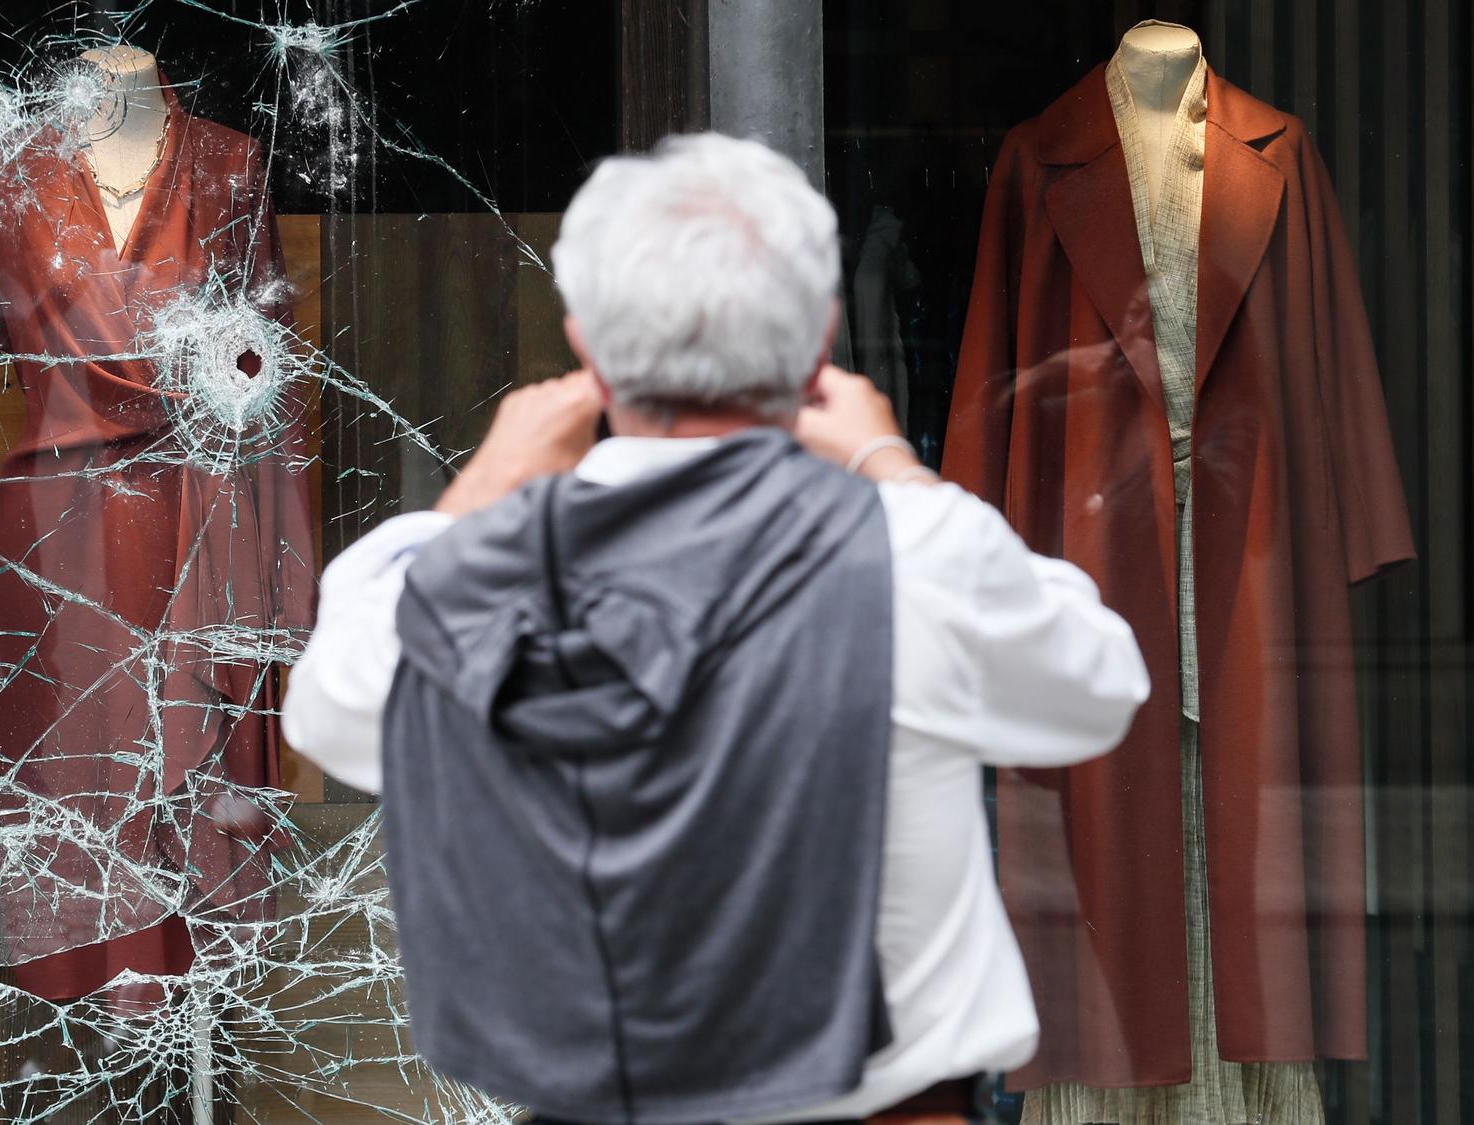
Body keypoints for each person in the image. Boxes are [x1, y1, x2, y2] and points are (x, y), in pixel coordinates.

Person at [281, 134, 1150, 1125]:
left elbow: (330, 711)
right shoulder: (914, 554)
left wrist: (477, 491)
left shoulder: (469, 582)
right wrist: (888, 464)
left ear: (587, 351)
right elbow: (1094, 685)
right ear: (820, 342)